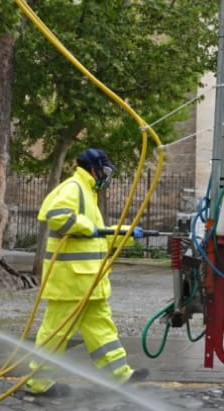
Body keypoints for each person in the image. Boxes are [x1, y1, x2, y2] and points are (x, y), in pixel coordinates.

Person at [24, 147, 148, 396]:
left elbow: (97, 236)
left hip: (89, 281)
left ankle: (119, 375)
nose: (106, 176)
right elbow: (56, 215)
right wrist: (85, 226)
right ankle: (38, 384)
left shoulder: (87, 192)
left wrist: (126, 232)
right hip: (71, 281)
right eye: (105, 171)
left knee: (102, 328)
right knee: (56, 333)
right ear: (93, 169)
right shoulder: (74, 188)